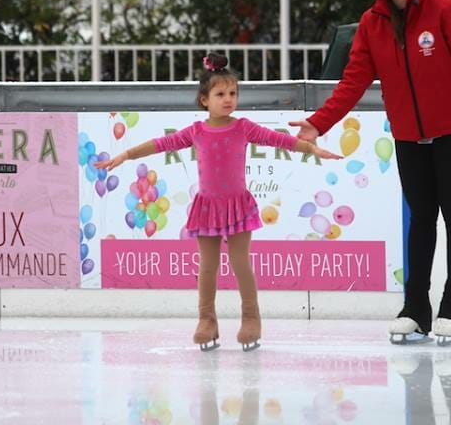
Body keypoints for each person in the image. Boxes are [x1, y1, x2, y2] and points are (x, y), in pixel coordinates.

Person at [290, 0, 451, 344]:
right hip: (409, 136)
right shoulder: (372, 23)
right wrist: (319, 123)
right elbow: (352, 82)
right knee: (420, 219)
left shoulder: (445, 11)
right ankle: (415, 308)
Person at [96, 53, 342, 351]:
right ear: (204, 100)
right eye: (220, 94)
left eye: (233, 93)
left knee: (240, 263)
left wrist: (311, 149)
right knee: (208, 267)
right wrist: (125, 155)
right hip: (208, 208)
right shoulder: (196, 132)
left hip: (237, 205)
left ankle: (251, 318)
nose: (228, 99)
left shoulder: (243, 127)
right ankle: (206, 321)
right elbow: (161, 144)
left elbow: (278, 140)